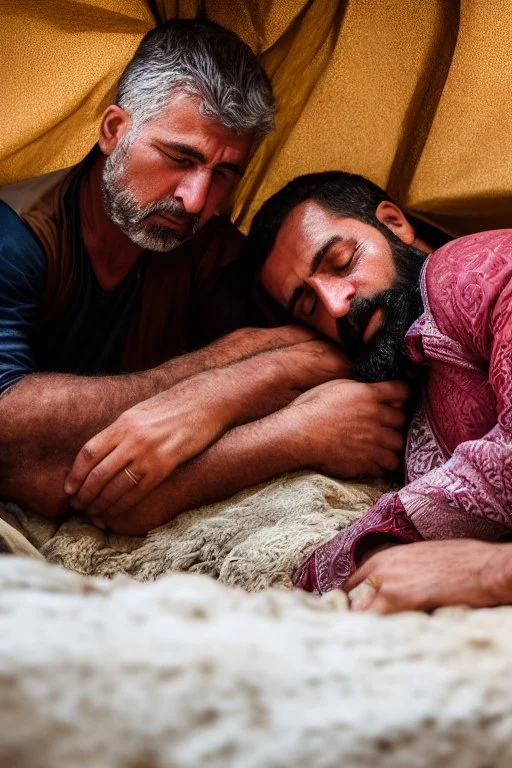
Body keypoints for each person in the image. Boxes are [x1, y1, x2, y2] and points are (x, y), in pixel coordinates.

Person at [0, 22, 408, 531]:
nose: (194, 199)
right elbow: (21, 450)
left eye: (224, 175)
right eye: (180, 158)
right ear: (113, 130)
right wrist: (258, 397)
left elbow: (335, 352)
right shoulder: (17, 237)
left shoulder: (208, 246)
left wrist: (212, 402)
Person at [241, 170, 512, 613]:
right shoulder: (410, 368)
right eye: (308, 305)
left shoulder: (468, 269)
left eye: (342, 261)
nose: (335, 304)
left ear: (393, 222)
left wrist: (491, 572)